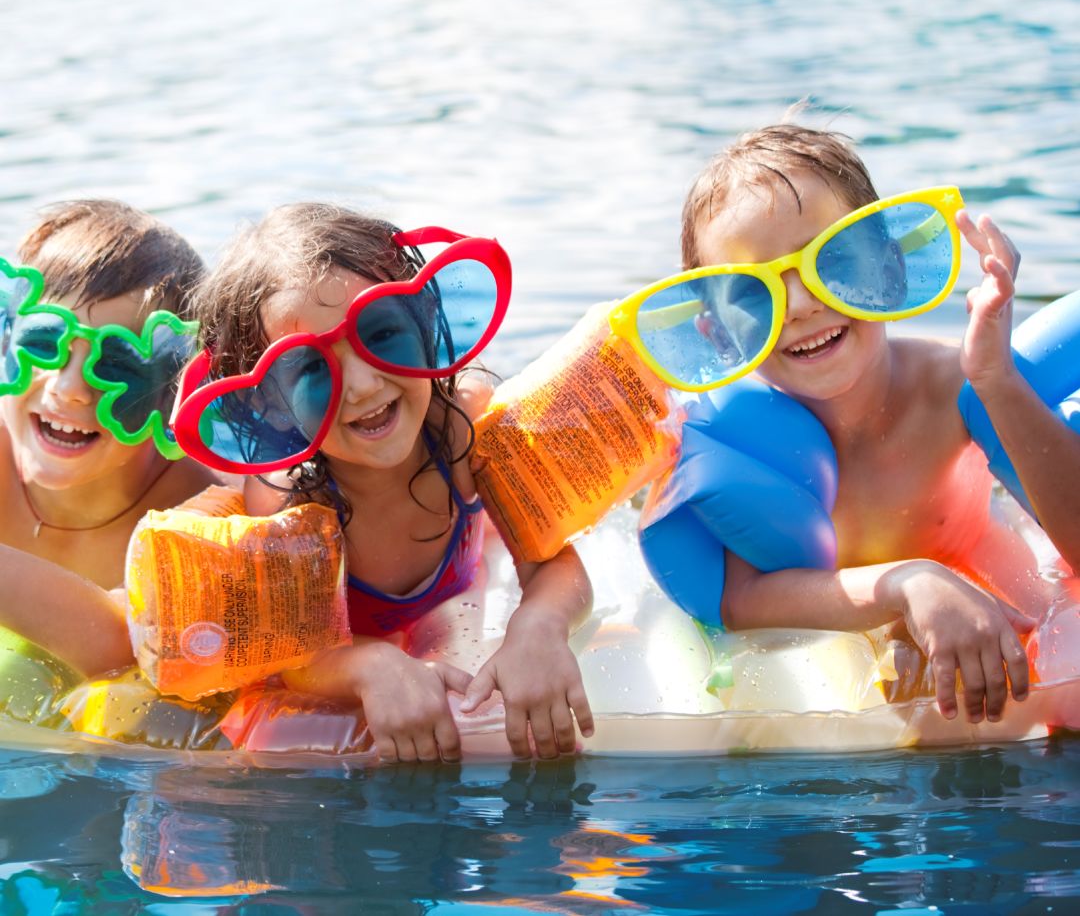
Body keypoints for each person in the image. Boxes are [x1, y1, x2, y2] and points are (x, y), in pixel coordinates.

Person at [669, 121, 1080, 726]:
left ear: (887, 268)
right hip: (847, 621)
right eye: (754, 292)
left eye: (829, 261)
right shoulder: (742, 442)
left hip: (988, 578)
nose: (803, 304)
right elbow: (744, 597)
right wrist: (905, 585)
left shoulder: (952, 389)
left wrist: (997, 381)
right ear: (718, 334)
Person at [176, 203, 594, 763]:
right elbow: (289, 650)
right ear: (270, 405)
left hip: (467, 596)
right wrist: (370, 665)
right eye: (312, 369)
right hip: (363, 638)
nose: (365, 385)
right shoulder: (289, 499)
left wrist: (538, 626)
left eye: (382, 333)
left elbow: (553, 562)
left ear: (425, 327)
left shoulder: (462, 431)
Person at [0, 199, 218, 674]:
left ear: (173, 394)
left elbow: (127, 644)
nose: (70, 388)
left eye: (117, 365)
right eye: (43, 343)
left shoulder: (193, 512)